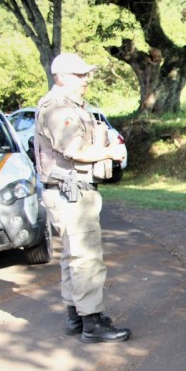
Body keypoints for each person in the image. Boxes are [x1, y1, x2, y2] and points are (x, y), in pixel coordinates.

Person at [35, 52, 131, 343]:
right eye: (79, 75)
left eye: (86, 73)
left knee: (72, 257)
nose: (86, 79)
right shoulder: (60, 108)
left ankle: (76, 317)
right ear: (61, 77)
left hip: (67, 192)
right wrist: (111, 152)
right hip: (72, 193)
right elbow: (74, 151)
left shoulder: (65, 106)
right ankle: (92, 323)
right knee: (86, 258)